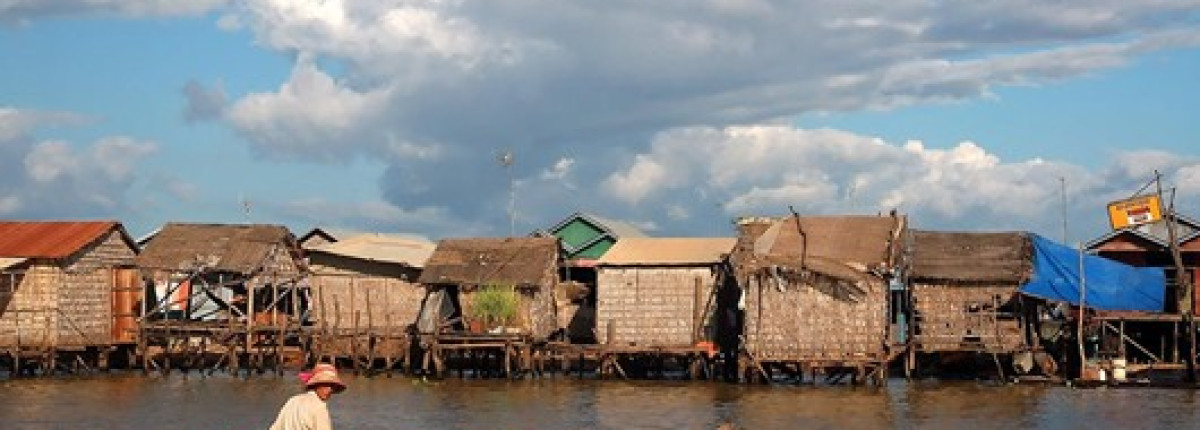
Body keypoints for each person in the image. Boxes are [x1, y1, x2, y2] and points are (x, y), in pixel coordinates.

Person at [269, 363, 347, 430]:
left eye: (332, 386)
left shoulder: (293, 400)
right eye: (325, 385)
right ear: (316, 384)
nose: (329, 389)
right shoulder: (319, 407)